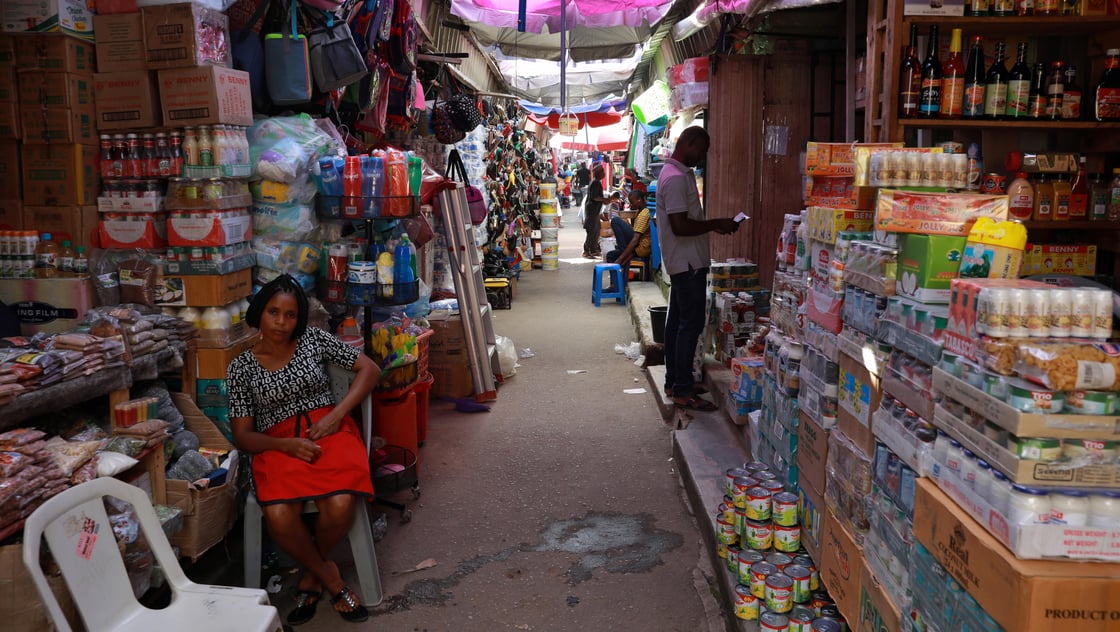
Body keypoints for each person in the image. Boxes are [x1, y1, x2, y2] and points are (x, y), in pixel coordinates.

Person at [227, 275, 379, 626]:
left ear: (300, 318)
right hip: (276, 445)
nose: (282, 322)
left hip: (329, 430)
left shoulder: (313, 340)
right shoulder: (241, 368)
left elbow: (369, 370)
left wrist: (336, 416)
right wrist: (286, 445)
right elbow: (243, 436)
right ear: (259, 314)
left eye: (291, 315)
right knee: (279, 515)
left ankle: (311, 579)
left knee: (340, 503)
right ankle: (330, 578)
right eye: (274, 313)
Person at [655, 126, 740, 411]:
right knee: (687, 326)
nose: (703, 157)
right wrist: (717, 223)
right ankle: (681, 388)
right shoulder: (676, 178)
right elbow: (680, 226)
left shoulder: (674, 174)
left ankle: (674, 381)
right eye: (701, 150)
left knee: (678, 323)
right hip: (687, 262)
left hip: (684, 261)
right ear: (688, 143)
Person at [606, 190, 653, 269]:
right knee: (610, 255)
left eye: (632, 202)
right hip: (638, 244)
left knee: (615, 221)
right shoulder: (639, 211)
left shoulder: (644, 213)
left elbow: (636, 239)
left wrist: (622, 258)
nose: (631, 204)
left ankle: (623, 250)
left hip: (641, 246)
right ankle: (616, 280)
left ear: (639, 200)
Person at [583, 164, 609, 259]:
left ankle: (593, 250)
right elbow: (594, 197)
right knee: (592, 231)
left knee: (596, 230)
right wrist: (603, 199)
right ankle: (586, 251)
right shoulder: (595, 183)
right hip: (592, 211)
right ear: (599, 173)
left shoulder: (596, 182)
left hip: (595, 211)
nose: (604, 173)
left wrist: (604, 200)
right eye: (602, 171)